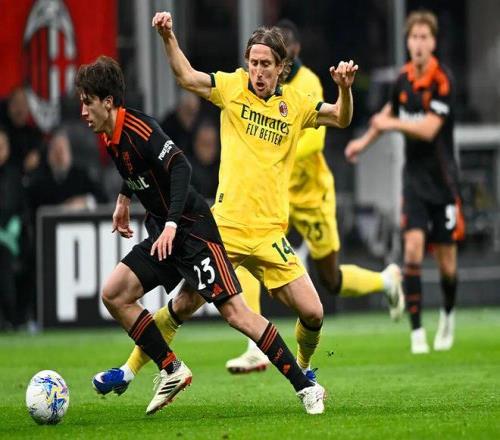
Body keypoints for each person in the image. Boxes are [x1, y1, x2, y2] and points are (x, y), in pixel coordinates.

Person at [93, 11, 357, 411]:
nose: (258, 71)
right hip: (225, 228)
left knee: (314, 312)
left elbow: (341, 117)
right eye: (253, 62)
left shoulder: (297, 105)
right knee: (182, 305)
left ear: (281, 68)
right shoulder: (232, 87)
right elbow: (186, 77)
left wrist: (345, 90)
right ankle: (130, 370)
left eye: (266, 64)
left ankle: (304, 368)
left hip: (270, 233)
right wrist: (168, 37)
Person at [224, 19, 405, 373]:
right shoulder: (252, 88)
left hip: (311, 196)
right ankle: (255, 345)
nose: (266, 67)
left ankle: (386, 280)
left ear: (290, 56)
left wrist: (271, 148)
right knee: (244, 253)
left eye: (279, 56)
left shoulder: (306, 84)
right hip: (275, 197)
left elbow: (316, 139)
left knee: (330, 280)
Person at [345, 10, 464, 354]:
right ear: (408, 42)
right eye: (414, 37)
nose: (419, 43)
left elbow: (427, 130)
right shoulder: (403, 79)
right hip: (413, 180)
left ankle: (447, 315)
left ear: (433, 42)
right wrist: (362, 143)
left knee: (447, 264)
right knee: (412, 249)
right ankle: (417, 332)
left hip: (443, 183)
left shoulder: (443, 80)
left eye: (424, 37)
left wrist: (392, 125)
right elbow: (386, 115)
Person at [27, 130, 107, 212]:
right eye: (55, 151)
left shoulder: (81, 176)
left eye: (62, 150)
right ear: (49, 155)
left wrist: (85, 201)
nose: (59, 156)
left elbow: (103, 199)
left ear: (69, 153)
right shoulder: (39, 181)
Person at [0, 127, 24, 330]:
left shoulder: (14, 175)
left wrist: (14, 228)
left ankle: (11, 317)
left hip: (10, 236)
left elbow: (22, 207)